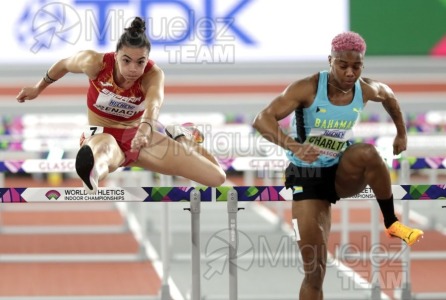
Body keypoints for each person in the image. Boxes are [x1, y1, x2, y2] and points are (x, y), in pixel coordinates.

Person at [252, 31, 424, 300]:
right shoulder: (307, 87)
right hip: (306, 175)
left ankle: (391, 222)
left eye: (356, 66)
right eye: (342, 65)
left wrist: (401, 133)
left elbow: (389, 95)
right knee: (315, 270)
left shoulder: (365, 88)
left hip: (339, 171)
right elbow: (262, 119)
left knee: (368, 153)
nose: (349, 73)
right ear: (330, 60)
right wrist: (293, 146)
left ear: (362, 65)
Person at [16, 17, 226, 193]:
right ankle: (92, 172)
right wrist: (38, 88)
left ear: (147, 59)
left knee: (216, 177)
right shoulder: (94, 63)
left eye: (140, 62)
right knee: (104, 154)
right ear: (116, 56)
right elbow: (63, 64)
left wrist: (144, 130)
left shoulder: (153, 75)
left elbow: (154, 104)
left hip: (139, 136)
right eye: (126, 61)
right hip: (102, 133)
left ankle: (181, 135)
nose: (133, 68)